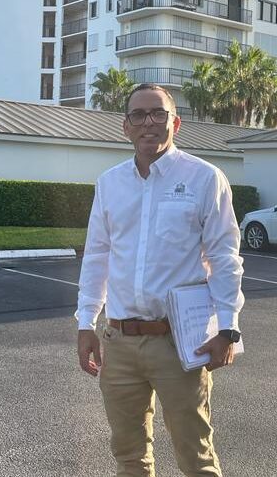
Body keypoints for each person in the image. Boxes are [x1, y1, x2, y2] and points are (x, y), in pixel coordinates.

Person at [76, 83, 244, 477]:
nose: (148, 122)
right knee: (129, 457)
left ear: (176, 122)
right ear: (126, 126)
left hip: (179, 343)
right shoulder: (110, 183)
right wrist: (86, 322)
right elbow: (97, 255)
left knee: (196, 457)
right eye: (139, 114)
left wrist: (228, 329)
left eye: (158, 113)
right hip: (118, 342)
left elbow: (224, 258)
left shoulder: (205, 178)